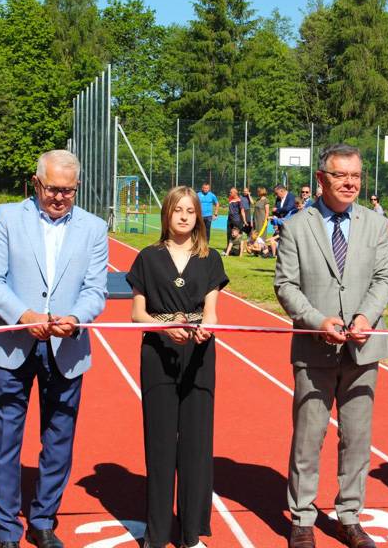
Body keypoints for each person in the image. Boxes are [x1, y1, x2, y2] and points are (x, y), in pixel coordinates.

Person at [0, 149, 109, 548]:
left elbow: (95, 290)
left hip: (66, 347)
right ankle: (6, 531)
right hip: (12, 344)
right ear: (36, 183)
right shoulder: (7, 219)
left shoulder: (94, 228)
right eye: (52, 188)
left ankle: (44, 520)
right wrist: (22, 314)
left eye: (68, 190)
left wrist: (75, 316)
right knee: (5, 438)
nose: (60, 197)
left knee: (59, 439)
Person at [274, 143, 388, 548]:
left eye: (356, 176)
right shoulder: (295, 226)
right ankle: (303, 518)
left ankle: (350, 516)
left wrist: (364, 318)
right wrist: (316, 321)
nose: (350, 183)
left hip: (364, 349)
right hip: (314, 349)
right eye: (341, 175)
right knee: (309, 435)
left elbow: (383, 280)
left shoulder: (376, 225)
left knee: (357, 438)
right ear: (321, 179)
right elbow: (285, 286)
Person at [126, 186, 228, 548]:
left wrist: (205, 330)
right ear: (166, 214)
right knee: (160, 442)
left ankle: (190, 533)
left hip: (200, 355)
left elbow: (213, 313)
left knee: (197, 444)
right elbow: (137, 313)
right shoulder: (147, 258)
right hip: (158, 352)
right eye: (177, 210)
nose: (184, 216)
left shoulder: (211, 258)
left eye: (190, 210)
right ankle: (156, 534)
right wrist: (164, 326)